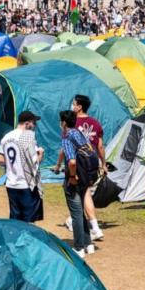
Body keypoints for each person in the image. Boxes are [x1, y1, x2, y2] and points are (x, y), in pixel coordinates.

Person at [57, 109, 95, 257]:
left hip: (75, 177)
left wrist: (72, 177)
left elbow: (72, 161)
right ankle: (88, 243)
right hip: (86, 176)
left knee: (76, 213)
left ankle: (79, 247)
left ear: (64, 122)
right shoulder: (79, 133)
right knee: (80, 211)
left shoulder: (67, 137)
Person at [0, 111, 44, 223]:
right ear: (27, 123)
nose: (34, 126)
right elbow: (34, 162)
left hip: (11, 183)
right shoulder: (27, 138)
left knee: (15, 218)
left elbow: (0, 160)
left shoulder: (6, 137)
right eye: (33, 123)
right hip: (26, 184)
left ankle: (13, 239)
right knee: (28, 220)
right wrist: (41, 153)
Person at [72, 94, 106, 241]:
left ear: (79, 107)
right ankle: (77, 220)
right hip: (92, 162)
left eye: (73, 104)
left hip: (78, 162)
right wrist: (103, 164)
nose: (72, 106)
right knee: (83, 192)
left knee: (82, 193)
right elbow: (100, 146)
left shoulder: (72, 122)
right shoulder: (96, 123)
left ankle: (94, 227)